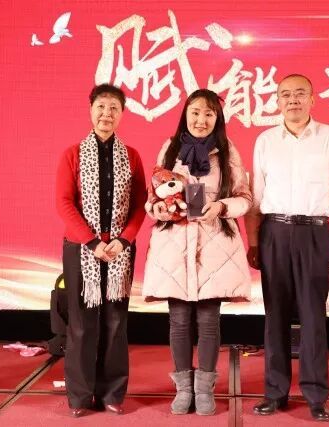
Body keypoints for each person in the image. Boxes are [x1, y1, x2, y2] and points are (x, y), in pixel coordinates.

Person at [245, 74, 329, 421]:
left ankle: (316, 395)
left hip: (314, 233)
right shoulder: (266, 140)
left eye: (299, 94)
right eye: (285, 95)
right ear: (277, 101)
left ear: (312, 99)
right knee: (275, 316)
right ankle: (275, 392)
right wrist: (253, 241)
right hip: (274, 232)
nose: (292, 100)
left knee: (313, 317)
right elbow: (256, 196)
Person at [142, 89, 252, 416]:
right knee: (178, 321)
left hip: (214, 244)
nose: (201, 120)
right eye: (195, 112)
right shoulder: (170, 147)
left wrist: (221, 206)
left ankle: (204, 389)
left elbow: (245, 197)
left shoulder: (227, 150)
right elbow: (154, 195)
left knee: (208, 321)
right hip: (174, 245)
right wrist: (157, 209)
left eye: (208, 114)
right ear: (185, 114)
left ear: (217, 118)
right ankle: (183, 389)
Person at [56, 84, 147, 418]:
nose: (106, 114)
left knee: (116, 324)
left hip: (120, 251)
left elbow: (140, 205)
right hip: (82, 251)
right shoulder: (72, 154)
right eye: (101, 107)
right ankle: (80, 397)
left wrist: (123, 240)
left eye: (114, 108)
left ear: (122, 114)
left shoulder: (132, 156)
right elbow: (64, 203)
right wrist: (92, 242)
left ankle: (112, 393)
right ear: (90, 110)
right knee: (81, 325)